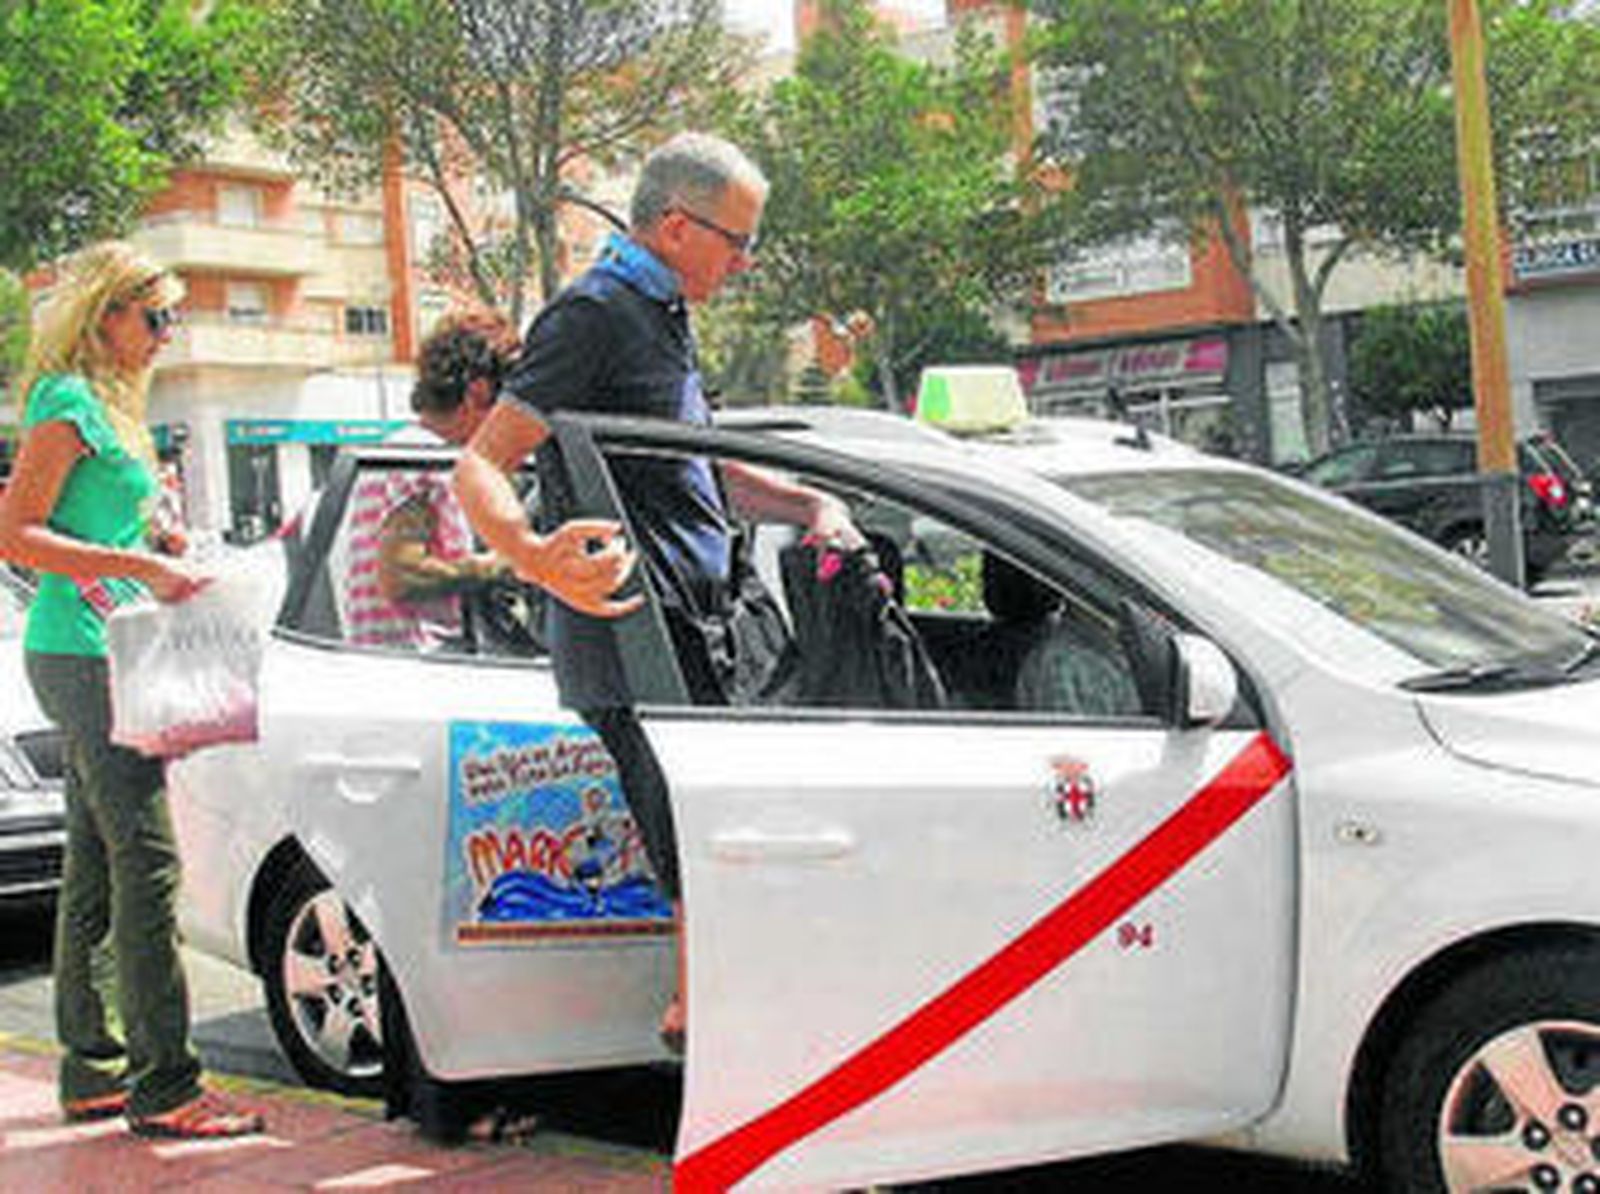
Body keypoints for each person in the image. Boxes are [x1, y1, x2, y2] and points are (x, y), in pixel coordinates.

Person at [454, 132, 859, 1052]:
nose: (745, 262)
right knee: (707, 875)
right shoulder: (596, 313)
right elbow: (480, 465)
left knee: (720, 871)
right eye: (736, 240)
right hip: (640, 645)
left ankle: (719, 1057)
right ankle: (716, 1077)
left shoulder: (662, 310)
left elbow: (697, 477)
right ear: (675, 227)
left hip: (702, 639)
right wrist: (532, 553)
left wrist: (809, 502)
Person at [0, 241, 263, 1137]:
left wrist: (164, 543)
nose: (165, 334)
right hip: (82, 654)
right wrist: (137, 565)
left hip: (115, 646)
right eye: (153, 317)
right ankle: (168, 1086)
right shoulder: (65, 400)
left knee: (96, 865)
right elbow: (18, 536)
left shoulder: (116, 409)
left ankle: (95, 1068)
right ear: (102, 315)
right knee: (148, 862)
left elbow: (102, 524)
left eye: (172, 318)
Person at [340, 311, 519, 650]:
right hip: (418, 667)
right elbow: (401, 575)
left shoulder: (405, 451)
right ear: (478, 394)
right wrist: (503, 566)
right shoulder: (425, 459)